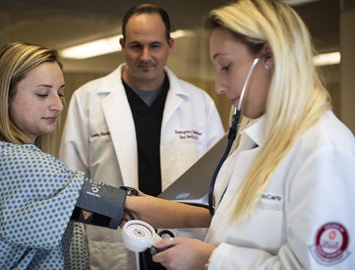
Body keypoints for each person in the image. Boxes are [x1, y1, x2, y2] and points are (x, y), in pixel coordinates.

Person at [123, 0, 355, 269]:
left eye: (226, 67)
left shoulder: (324, 151)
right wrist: (143, 207)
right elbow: (221, 216)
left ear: (268, 57)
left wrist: (210, 258)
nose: (219, 86)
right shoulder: (254, 137)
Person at [59, 3, 224, 270]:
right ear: (123, 44)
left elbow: (217, 182)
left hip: (184, 240)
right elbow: (71, 181)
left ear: (171, 44)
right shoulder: (87, 100)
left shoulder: (199, 103)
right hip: (113, 242)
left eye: (155, 46)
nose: (145, 56)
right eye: (136, 46)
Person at [0, 42, 127, 269]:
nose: (58, 105)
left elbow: (95, 211)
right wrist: (189, 216)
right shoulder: (14, 161)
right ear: (5, 96)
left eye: (60, 93)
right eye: (43, 93)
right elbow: (122, 207)